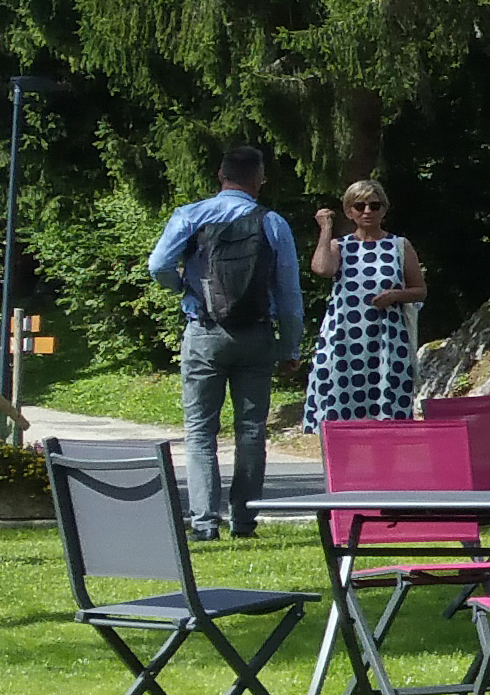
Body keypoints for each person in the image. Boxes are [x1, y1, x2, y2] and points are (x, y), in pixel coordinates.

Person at [146, 147, 307, 538]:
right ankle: (245, 520)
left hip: (204, 331)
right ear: (260, 179)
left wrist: (183, 287)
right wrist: (290, 348)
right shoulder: (272, 223)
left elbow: (158, 265)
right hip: (255, 335)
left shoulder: (191, 215)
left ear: (220, 175)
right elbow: (288, 291)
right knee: (251, 430)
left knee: (200, 430)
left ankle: (204, 523)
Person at [306, 180, 428, 425]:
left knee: (388, 410)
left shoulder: (399, 246)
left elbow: (420, 290)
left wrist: (395, 296)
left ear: (384, 209)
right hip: (345, 341)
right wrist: (326, 228)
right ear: (349, 211)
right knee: (342, 410)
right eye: (359, 206)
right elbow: (322, 268)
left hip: (386, 341)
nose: (367, 212)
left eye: (374, 205)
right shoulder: (340, 246)